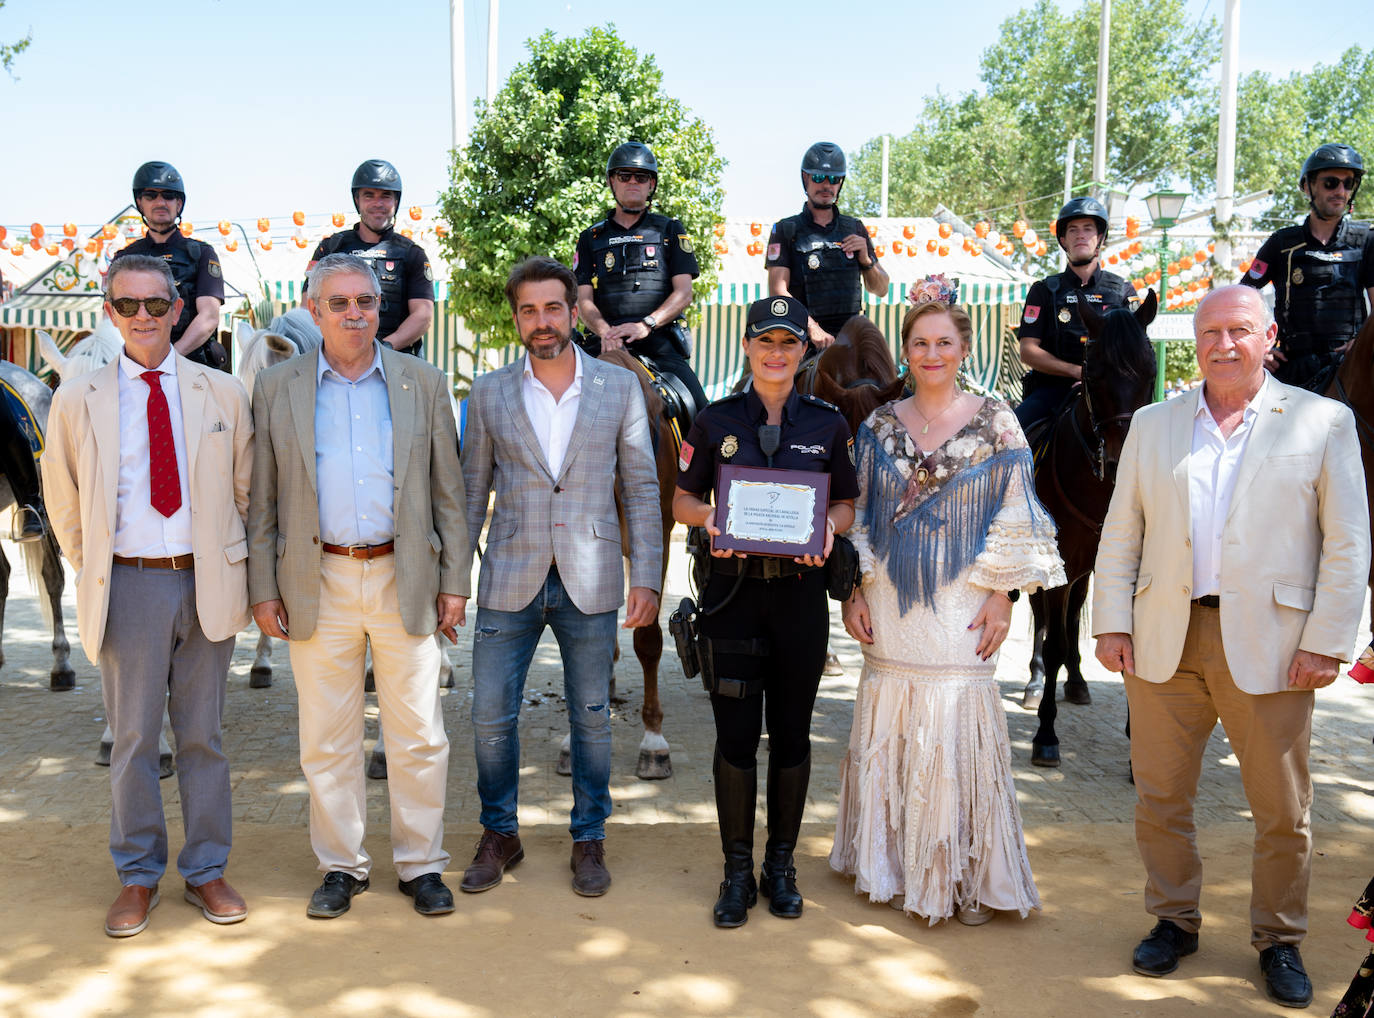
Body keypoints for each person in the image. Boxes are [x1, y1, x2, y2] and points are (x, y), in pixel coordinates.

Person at [1092, 284, 1370, 1008]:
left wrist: (1327, 642)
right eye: (1210, 331)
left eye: (1239, 331)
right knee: (1159, 797)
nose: (1223, 344)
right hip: (1164, 638)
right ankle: (1172, 920)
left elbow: (1347, 544)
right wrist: (1111, 622)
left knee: (1281, 808)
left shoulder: (1322, 421)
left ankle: (1279, 937)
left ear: (1268, 336)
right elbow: (1123, 531)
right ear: (1195, 339)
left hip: (1276, 645)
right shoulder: (1154, 424)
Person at [829, 276, 1065, 925]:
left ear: (963, 348)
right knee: (893, 712)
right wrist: (854, 587)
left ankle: (961, 873)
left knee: (956, 711)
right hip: (890, 598)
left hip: (964, 597)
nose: (932, 352)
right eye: (920, 342)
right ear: (906, 351)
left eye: (944, 342)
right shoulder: (878, 423)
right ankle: (892, 863)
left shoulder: (996, 420)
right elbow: (863, 515)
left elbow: (1017, 509)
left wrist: (1001, 595)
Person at [247, 253, 469, 920]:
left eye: (365, 302)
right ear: (313, 311)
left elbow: (449, 496)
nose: (354, 313)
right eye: (339, 302)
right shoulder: (277, 386)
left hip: (407, 576)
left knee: (420, 734)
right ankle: (341, 865)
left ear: (381, 310)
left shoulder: (422, 382)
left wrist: (455, 579)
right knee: (326, 737)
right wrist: (264, 587)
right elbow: (262, 501)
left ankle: (421, 864)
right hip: (318, 581)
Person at [41, 254, 254, 937]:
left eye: (156, 306)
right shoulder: (80, 398)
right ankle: (137, 876)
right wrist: (96, 566)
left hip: (207, 582)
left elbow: (249, 491)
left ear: (179, 310)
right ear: (109, 312)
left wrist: (231, 565)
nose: (142, 318)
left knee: (204, 737)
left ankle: (206, 869)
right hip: (128, 582)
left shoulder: (220, 393)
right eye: (127, 306)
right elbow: (63, 498)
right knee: (133, 739)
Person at [459, 256, 661, 899]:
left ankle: (589, 838)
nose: (541, 322)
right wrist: (452, 582)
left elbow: (642, 489)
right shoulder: (488, 393)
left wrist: (649, 575)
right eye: (528, 310)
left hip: (592, 575)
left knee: (593, 718)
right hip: (508, 577)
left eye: (553, 308)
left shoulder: (618, 388)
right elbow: (469, 495)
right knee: (490, 715)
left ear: (573, 312)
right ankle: (500, 832)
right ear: (516, 318)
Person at [672, 293, 858, 928]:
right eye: (766, 341)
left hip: (800, 601)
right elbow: (682, 501)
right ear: (748, 347)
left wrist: (830, 529)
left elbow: (846, 505)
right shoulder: (714, 420)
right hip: (731, 598)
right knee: (734, 738)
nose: (777, 353)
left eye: (789, 343)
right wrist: (712, 516)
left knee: (793, 735)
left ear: (803, 352)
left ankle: (780, 867)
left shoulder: (828, 424)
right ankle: (734, 871)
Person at [574, 141, 707, 414]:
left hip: (658, 343)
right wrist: (605, 332)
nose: (633, 181)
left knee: (702, 415)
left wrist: (646, 324)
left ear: (651, 185)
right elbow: (583, 298)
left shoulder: (671, 229)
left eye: (641, 176)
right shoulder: (590, 238)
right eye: (624, 176)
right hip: (603, 343)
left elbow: (684, 293)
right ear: (612, 181)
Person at [1241, 143, 1374, 391]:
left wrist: (1361, 344)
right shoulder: (1280, 243)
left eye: (1348, 183)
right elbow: (1241, 298)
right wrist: (1258, 348)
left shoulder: (1367, 240)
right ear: (1307, 186)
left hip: (1350, 370)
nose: (1341, 191)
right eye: (1331, 183)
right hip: (1291, 370)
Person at [1014, 196, 1136, 437]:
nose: (1080, 235)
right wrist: (1076, 371)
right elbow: (1028, 350)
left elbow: (1134, 352)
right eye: (1073, 230)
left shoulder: (1123, 291)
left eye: (1088, 228)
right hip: (1052, 391)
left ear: (1100, 237)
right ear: (1063, 239)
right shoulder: (1043, 290)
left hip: (1111, 392)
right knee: (1009, 434)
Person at [765, 142, 889, 351]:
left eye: (833, 179)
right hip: (802, 336)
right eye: (818, 177)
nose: (826, 185)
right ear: (805, 178)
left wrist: (866, 261)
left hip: (852, 337)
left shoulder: (855, 227)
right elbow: (777, 291)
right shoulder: (785, 229)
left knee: (890, 378)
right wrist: (812, 328)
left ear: (840, 183)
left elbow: (881, 289)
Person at [305, 159, 435, 356]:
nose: (378, 203)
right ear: (357, 200)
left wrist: (381, 350)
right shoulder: (329, 249)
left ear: (396, 202)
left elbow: (423, 315)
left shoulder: (412, 253)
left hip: (396, 361)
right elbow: (308, 307)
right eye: (369, 196)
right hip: (337, 363)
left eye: (386, 196)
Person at [111, 161, 227, 369]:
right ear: (140, 202)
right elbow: (113, 316)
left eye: (168, 195)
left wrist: (171, 358)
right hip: (136, 366)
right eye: (151, 195)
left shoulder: (202, 253)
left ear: (179, 204)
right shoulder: (123, 258)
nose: (160, 202)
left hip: (191, 364)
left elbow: (209, 316)